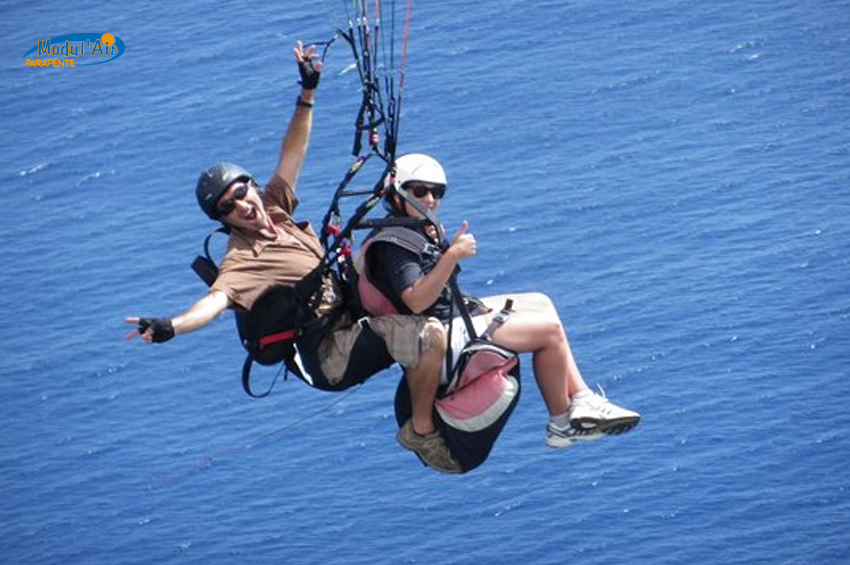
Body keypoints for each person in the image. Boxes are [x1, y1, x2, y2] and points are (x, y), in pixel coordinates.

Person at [125, 43, 462, 474]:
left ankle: (435, 359)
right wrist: (172, 326)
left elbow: (293, 151)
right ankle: (422, 431)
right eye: (228, 207)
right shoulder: (242, 260)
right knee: (428, 335)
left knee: (388, 261)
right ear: (223, 219)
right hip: (329, 354)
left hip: (349, 315)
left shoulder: (276, 206)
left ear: (252, 187)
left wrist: (308, 91)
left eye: (241, 192)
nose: (242, 205)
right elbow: (213, 303)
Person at [361, 153, 641, 450]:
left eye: (437, 192)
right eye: (420, 191)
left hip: (452, 316)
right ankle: (560, 422)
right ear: (397, 193)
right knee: (549, 332)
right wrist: (452, 255)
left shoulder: (413, 228)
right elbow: (416, 301)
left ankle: (583, 397)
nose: (430, 199)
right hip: (441, 337)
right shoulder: (396, 245)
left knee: (541, 302)